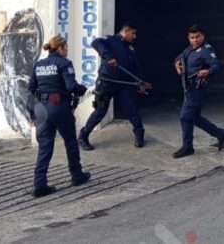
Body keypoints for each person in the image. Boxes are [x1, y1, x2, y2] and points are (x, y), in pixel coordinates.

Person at [27, 36, 90, 197]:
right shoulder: (64, 64)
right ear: (60, 48)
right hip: (59, 107)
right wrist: (82, 89)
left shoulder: (38, 65)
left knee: (45, 147)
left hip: (41, 109)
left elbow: (30, 90)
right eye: (66, 47)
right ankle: (77, 175)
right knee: (70, 141)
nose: (67, 50)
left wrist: (32, 113)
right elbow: (70, 86)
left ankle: (39, 184)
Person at [79, 23, 145, 150]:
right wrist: (108, 56)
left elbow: (135, 67)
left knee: (131, 108)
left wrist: (140, 81)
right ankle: (83, 136)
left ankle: (139, 134)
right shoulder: (111, 40)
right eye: (133, 33)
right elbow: (96, 43)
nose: (135, 36)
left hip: (123, 84)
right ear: (126, 31)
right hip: (106, 82)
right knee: (100, 111)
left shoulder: (131, 47)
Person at [172, 25, 224, 159]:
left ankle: (188, 147)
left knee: (185, 116)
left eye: (197, 37)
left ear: (203, 36)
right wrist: (177, 65)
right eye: (192, 37)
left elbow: (216, 65)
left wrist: (207, 71)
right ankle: (220, 133)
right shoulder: (189, 49)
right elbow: (178, 58)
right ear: (188, 38)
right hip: (189, 88)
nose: (195, 40)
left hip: (198, 89)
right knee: (193, 117)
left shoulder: (206, 50)